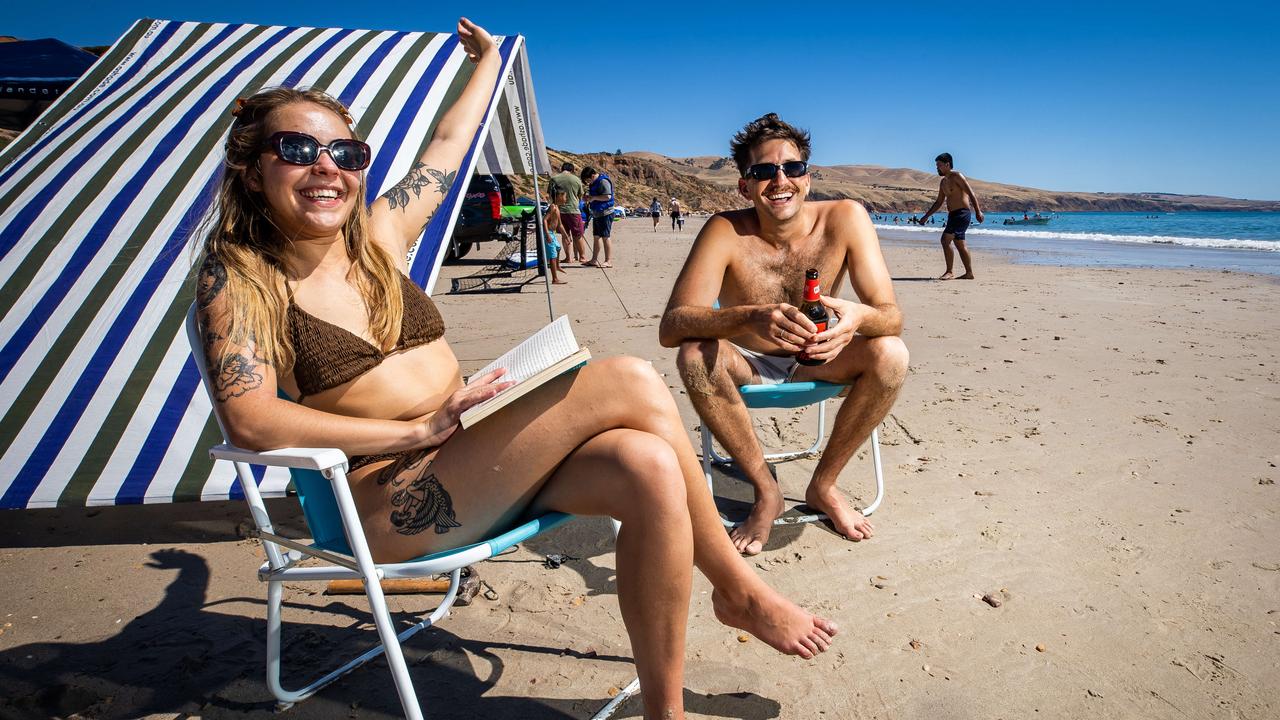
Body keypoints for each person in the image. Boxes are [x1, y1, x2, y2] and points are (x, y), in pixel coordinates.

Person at [192, 22, 834, 720]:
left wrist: (488, 66)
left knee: (648, 464)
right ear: (252, 169)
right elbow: (250, 419)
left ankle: (664, 711)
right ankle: (737, 588)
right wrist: (413, 432)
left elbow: (446, 150)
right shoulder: (240, 280)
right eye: (297, 150)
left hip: (474, 456)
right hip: (386, 500)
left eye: (345, 151)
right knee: (628, 378)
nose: (327, 167)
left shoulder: (378, 238)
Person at [660, 113, 908, 556]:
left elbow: (890, 316)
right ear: (745, 185)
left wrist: (855, 319)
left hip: (820, 355)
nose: (780, 180)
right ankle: (765, 490)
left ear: (807, 179)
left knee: (891, 353)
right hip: (748, 361)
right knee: (694, 354)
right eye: (763, 171)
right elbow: (673, 325)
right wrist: (746, 318)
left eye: (791, 168)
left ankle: (824, 485)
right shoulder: (725, 229)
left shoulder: (846, 218)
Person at [919, 152, 984, 280]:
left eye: (939, 165)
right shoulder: (943, 182)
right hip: (953, 215)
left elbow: (971, 193)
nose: (937, 168)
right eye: (937, 165)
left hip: (962, 213)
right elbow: (938, 202)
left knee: (945, 240)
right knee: (960, 244)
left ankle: (949, 272)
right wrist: (926, 216)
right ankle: (969, 273)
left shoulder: (957, 176)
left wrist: (978, 211)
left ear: (947, 164)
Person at [549, 161, 587, 263]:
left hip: (559, 210)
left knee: (565, 234)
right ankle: (582, 256)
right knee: (578, 235)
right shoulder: (576, 179)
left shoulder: (554, 179)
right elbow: (580, 195)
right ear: (572, 170)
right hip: (573, 210)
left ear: (562, 169)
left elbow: (551, 195)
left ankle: (568, 257)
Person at [581, 166, 615, 268]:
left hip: (606, 213)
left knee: (605, 236)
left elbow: (607, 196)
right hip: (596, 213)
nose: (588, 183)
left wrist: (594, 198)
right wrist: (588, 198)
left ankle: (608, 261)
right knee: (596, 237)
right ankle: (594, 259)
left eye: (587, 180)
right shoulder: (594, 183)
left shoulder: (603, 181)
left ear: (592, 176)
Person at [544, 188, 568, 284]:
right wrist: (547, 234)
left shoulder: (557, 208)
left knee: (558, 248)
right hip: (548, 233)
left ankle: (557, 266)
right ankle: (555, 279)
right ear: (559, 196)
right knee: (552, 255)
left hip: (552, 233)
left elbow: (560, 224)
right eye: (565, 196)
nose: (566, 199)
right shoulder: (553, 207)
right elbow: (545, 220)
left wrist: (566, 236)